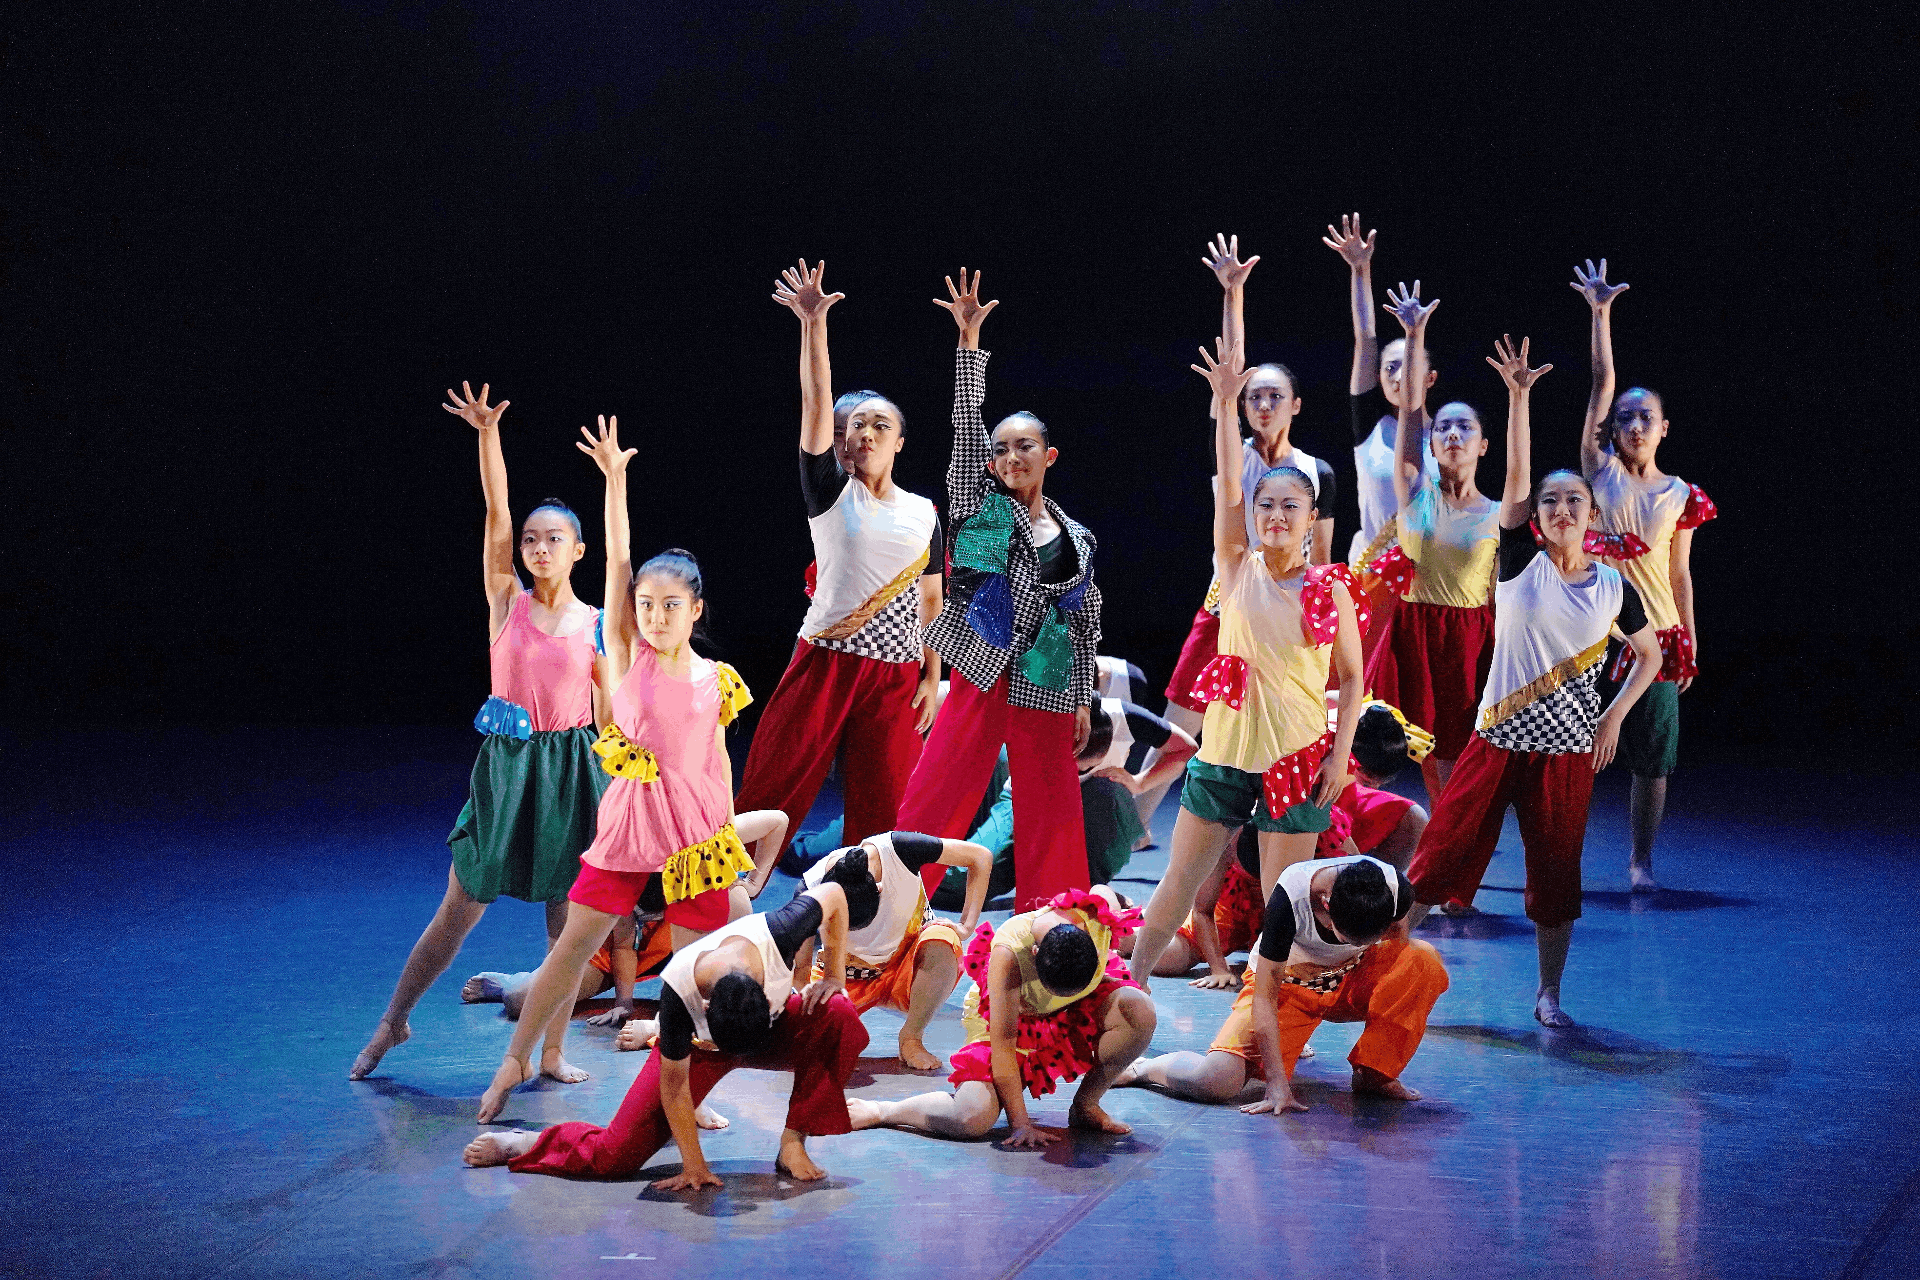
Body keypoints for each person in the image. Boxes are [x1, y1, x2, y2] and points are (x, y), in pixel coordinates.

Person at [475, 417, 758, 1122]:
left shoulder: (717, 678)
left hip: (696, 839)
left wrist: (728, 835)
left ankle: (683, 1093)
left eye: (671, 606)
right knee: (570, 950)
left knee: (691, 976)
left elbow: (719, 760)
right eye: (646, 606)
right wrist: (614, 480)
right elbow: (620, 559)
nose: (655, 616)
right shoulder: (627, 654)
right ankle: (515, 1060)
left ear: (696, 610)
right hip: (631, 828)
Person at [351, 383, 610, 1083]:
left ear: (578, 550)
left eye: (554, 538)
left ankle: (551, 1050)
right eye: (531, 539)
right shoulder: (507, 602)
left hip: (572, 771)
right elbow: (496, 512)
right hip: (508, 767)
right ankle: (394, 1020)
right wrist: (487, 435)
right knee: (459, 907)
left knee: (566, 928)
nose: (539, 547)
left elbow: (609, 711)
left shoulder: (595, 623)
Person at [1404, 336, 1662, 1028]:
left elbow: (1649, 657)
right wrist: (1519, 399)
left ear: (1592, 515)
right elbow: (1515, 487)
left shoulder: (1615, 588)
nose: (1560, 510)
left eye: (1574, 500)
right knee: (1439, 856)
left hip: (1567, 753)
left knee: (1554, 875)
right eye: (1550, 502)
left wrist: (1613, 717)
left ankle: (1549, 994)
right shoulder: (1519, 563)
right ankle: (1375, 967)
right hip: (1496, 740)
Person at [1126, 338, 1365, 989]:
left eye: (1291, 506)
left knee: (1282, 900)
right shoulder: (1236, 567)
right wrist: (1226, 404)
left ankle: (1268, 1009)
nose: (1276, 515)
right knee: (1178, 880)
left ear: (1312, 518)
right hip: (1227, 755)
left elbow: (1352, 680)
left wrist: (1339, 756)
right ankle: (1132, 982)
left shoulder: (1332, 587)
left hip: (1296, 758)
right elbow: (1229, 483)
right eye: (1266, 506)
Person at [894, 269, 1104, 911]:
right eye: (1003, 449)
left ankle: (1052, 925)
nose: (1014, 457)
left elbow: (1082, 621)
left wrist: (1082, 696)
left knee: (1053, 808)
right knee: (937, 794)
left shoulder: (1077, 536)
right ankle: (892, 908)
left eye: (1026, 447)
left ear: (1049, 455)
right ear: (989, 462)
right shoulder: (979, 508)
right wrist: (968, 347)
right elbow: (965, 430)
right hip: (983, 664)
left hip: (1047, 671)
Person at [462, 868, 877, 1186]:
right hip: (701, 1050)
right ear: (705, 1006)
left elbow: (834, 892)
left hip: (762, 1029)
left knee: (838, 1013)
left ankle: (792, 1145)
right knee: (615, 1157)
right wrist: (693, 1164)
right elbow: (675, 1086)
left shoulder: (782, 931)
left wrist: (833, 974)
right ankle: (527, 1143)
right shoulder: (679, 993)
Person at [734, 260, 946, 866]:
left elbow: (932, 600)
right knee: (772, 788)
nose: (866, 433)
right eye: (855, 425)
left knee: (887, 811)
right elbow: (815, 400)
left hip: (897, 675)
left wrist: (931, 677)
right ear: (841, 440)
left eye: (881, 425)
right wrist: (813, 324)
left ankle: (872, 918)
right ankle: (712, 903)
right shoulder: (831, 493)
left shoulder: (924, 513)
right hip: (825, 660)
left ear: (899, 441)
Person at [1572, 259, 1717, 891]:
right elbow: (1601, 382)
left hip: (1654, 637)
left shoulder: (1680, 494)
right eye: (1625, 417)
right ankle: (1562, 856)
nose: (1634, 425)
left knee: (1652, 760)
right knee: (1573, 753)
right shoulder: (1598, 470)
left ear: (1662, 429)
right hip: (1592, 635)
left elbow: (1679, 573)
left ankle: (1640, 860)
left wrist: (1690, 637)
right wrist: (1601, 314)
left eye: (1645, 418)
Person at [1164, 235, 1338, 739]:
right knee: (1180, 731)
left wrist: (1317, 627)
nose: (1263, 405)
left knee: (1274, 735)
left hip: (1286, 611)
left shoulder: (1317, 472)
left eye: (1275, 396)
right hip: (1229, 601)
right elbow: (1230, 372)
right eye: (1254, 397)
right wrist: (1232, 294)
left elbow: (1321, 558)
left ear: (1295, 405)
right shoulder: (1233, 456)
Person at [1119, 855, 1445, 1111]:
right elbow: (1265, 998)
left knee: (1423, 959)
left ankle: (1375, 1074)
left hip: (1352, 976)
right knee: (1216, 1080)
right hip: (1290, 985)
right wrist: (1277, 1084)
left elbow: (1399, 946)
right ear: (1326, 904)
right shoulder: (1290, 898)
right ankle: (1144, 1069)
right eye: (1347, 937)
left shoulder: (1393, 888)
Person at [1140, 699, 1431, 986]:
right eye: (1368, 778)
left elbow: (1368, 877)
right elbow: (1203, 910)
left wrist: (1376, 926)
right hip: (1237, 905)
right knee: (1168, 957)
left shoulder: (1328, 830)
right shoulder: (1231, 835)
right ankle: (1127, 925)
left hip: (1310, 809)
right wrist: (1218, 968)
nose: (1374, 784)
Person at [846, 885, 1155, 1144]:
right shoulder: (1009, 953)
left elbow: (1104, 891)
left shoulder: (1096, 915)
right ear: (1035, 954)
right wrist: (1020, 1124)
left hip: (1071, 1011)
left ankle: (1086, 1105)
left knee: (1139, 1011)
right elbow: (1004, 1045)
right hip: (1014, 1022)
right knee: (970, 1116)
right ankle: (884, 1111)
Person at [1361, 282, 1504, 803]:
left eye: (1464, 427)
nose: (1452, 435)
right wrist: (1414, 334)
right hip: (1410, 630)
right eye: (1442, 427)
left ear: (1483, 444)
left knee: (1453, 754)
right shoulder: (1415, 493)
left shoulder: (1499, 510)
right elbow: (1410, 415)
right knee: (1383, 742)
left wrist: (1519, 398)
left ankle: (1448, 833)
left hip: (1465, 636)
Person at [460, 809, 789, 1026]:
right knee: (520, 1003)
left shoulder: (704, 841)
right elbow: (622, 946)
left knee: (737, 903)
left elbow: (777, 820)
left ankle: (706, 982)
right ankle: (513, 981)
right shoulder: (622, 868)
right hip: (624, 946)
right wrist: (624, 1002)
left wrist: (754, 881)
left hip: (689, 934)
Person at [938, 699, 1199, 904]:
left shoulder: (1125, 716)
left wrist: (1140, 782)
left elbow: (1186, 748)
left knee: (1107, 791)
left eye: (1084, 768)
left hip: (1093, 807)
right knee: (966, 880)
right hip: (1028, 803)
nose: (1075, 775)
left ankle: (1091, 886)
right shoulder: (1041, 719)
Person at [1323, 214, 1440, 663]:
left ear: (1429, 377)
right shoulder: (1372, 429)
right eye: (1389, 367)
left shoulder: (1451, 435)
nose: (1396, 374)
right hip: (1374, 572)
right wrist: (1360, 271)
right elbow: (1366, 337)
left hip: (1433, 577)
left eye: (1407, 364)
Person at [789, 832, 991, 1071]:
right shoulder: (809, 892)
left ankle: (911, 1037)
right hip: (844, 977)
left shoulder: (900, 850)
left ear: (879, 888)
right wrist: (816, 1017)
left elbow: (980, 856)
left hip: (909, 965)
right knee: (807, 1047)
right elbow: (801, 972)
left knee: (943, 939)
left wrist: (966, 926)